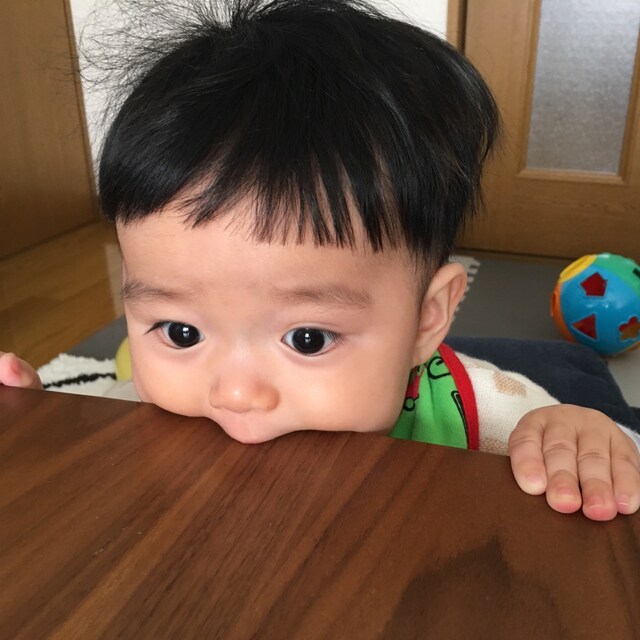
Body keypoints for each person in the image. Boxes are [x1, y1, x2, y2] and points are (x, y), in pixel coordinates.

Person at [1, 0, 639, 521]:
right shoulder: (160, 405)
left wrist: (581, 439)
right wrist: (40, 424)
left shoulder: (482, 407)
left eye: (307, 338)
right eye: (181, 332)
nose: (235, 394)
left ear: (427, 318)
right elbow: (97, 444)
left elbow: (605, 464)